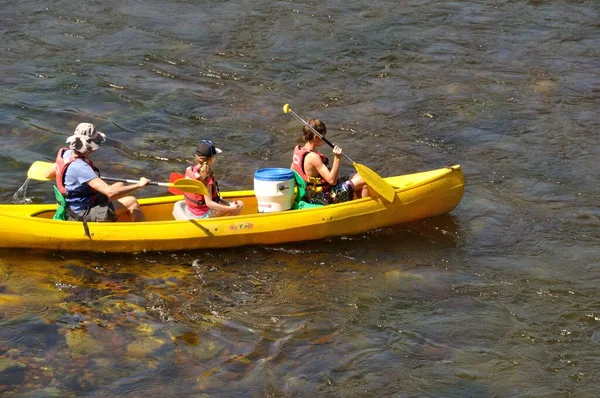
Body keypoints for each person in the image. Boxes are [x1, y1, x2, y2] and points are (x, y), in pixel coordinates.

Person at [44, 123, 150, 222]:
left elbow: (48, 175)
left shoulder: (66, 154)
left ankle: (116, 217)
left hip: (72, 206)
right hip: (80, 214)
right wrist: (139, 185)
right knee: (131, 201)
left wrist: (73, 181)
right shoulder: (82, 167)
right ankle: (141, 233)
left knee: (120, 185)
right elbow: (110, 193)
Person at [290, 118, 369, 205]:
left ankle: (360, 205)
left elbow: (292, 171)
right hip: (324, 197)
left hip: (310, 194)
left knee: (358, 175)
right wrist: (337, 158)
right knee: (364, 179)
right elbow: (332, 181)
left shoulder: (298, 151)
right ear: (316, 137)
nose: (324, 139)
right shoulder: (314, 157)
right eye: (323, 136)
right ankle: (364, 210)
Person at [181, 140, 244, 218]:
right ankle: (227, 228)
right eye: (215, 155)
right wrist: (230, 208)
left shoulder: (190, 170)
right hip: (202, 214)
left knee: (221, 199)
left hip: (193, 209)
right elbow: (209, 203)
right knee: (240, 205)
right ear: (211, 159)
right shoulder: (206, 177)